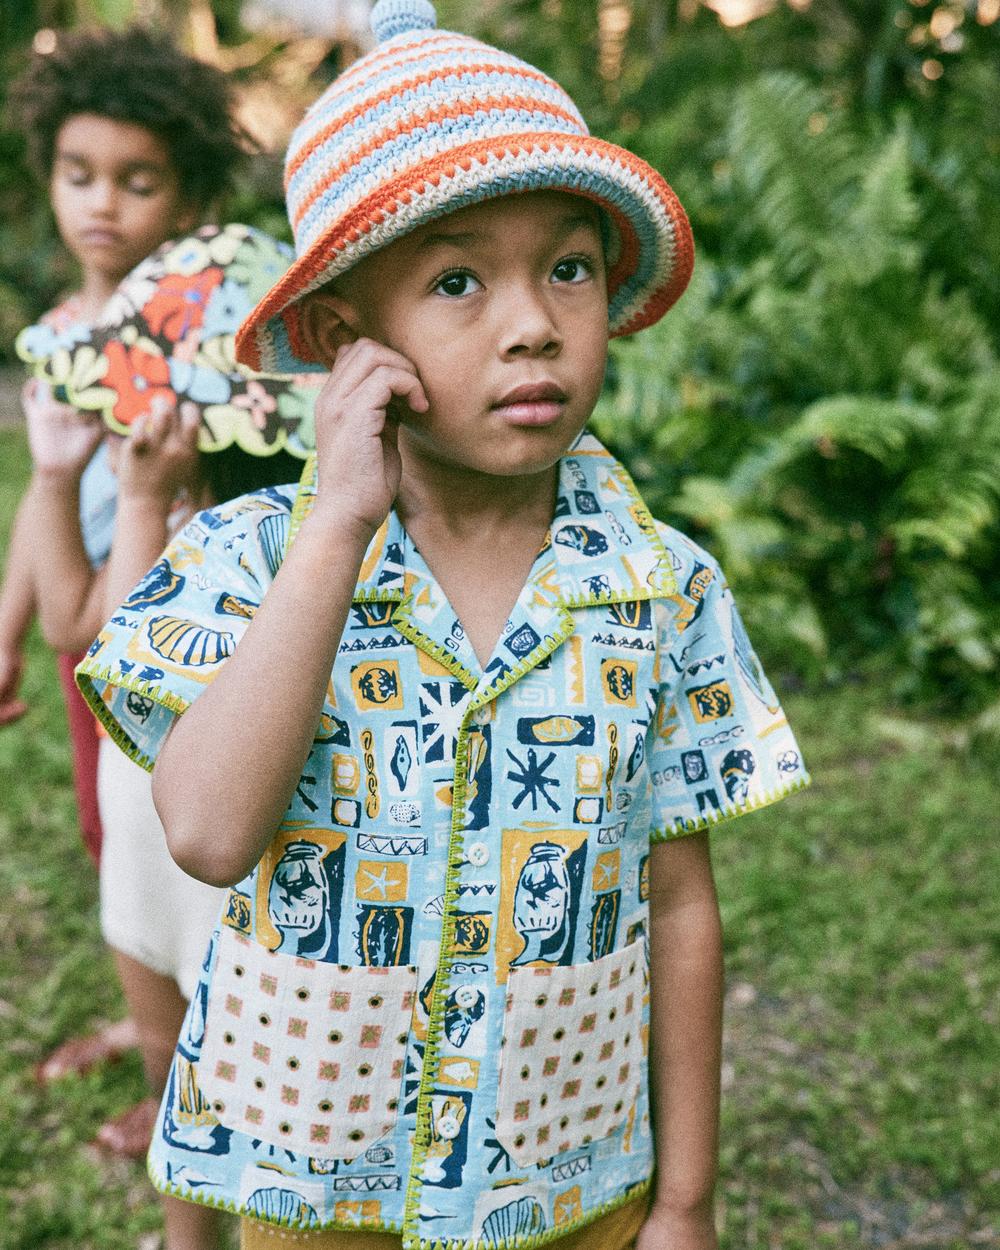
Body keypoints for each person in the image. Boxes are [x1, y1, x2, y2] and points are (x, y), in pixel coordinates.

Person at [76, 3, 811, 1248]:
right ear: (342, 338)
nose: (532, 322)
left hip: (569, 1170)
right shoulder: (250, 561)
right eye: (457, 279)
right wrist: (332, 532)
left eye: (567, 266)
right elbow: (201, 832)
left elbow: (681, 903)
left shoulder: (657, 584)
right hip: (316, 1176)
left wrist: (684, 1197)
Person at [0, 25, 246, 1103]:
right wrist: (4, 626)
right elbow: (41, 500)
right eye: (79, 175)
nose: (101, 202)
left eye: (136, 181)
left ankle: (178, 1073)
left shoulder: (196, 339)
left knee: (176, 853)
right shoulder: (61, 332)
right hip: (83, 607)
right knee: (113, 846)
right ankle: (148, 1011)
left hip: (166, 633)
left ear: (189, 202)